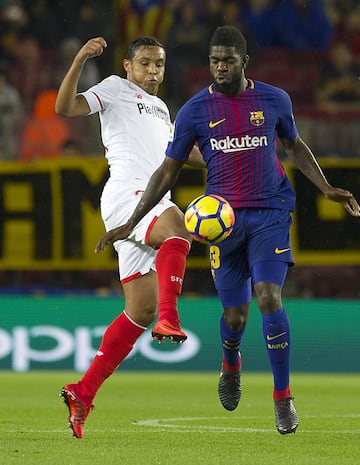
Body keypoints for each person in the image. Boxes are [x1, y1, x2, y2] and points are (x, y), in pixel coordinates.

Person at [96, 26, 360, 435]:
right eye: (214, 60)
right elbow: (168, 171)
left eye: (228, 60)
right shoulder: (193, 111)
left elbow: (294, 145)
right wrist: (130, 222)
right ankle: (231, 362)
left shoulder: (274, 99)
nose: (220, 67)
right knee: (235, 317)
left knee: (269, 297)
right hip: (223, 223)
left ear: (244, 62)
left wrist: (325, 187)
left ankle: (283, 396)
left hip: (271, 212)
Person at [55, 35, 205, 439]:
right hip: (127, 194)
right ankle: (172, 321)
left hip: (148, 198)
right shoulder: (115, 89)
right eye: (145, 63)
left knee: (140, 311)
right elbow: (65, 107)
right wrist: (81, 59)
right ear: (127, 66)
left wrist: (227, 156)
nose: (152, 71)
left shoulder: (161, 108)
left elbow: (181, 151)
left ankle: (82, 392)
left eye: (159, 64)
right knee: (177, 227)